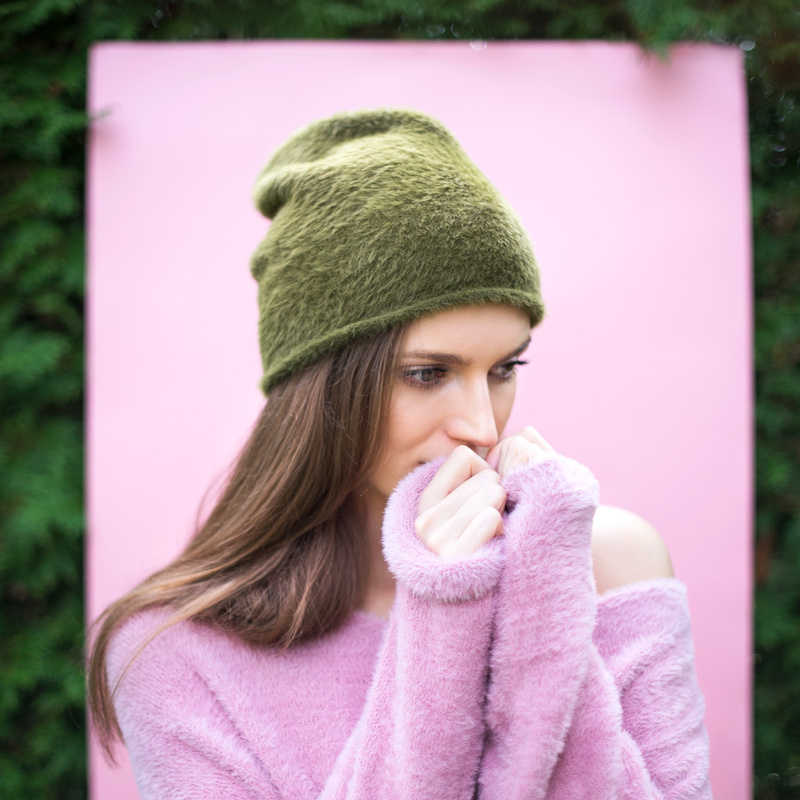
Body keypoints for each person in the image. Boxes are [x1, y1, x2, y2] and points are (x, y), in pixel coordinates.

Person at [87, 109, 712, 799]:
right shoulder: (176, 653)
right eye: (427, 373)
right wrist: (444, 615)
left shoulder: (609, 561)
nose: (480, 425)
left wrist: (542, 597)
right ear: (321, 391)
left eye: (504, 369)